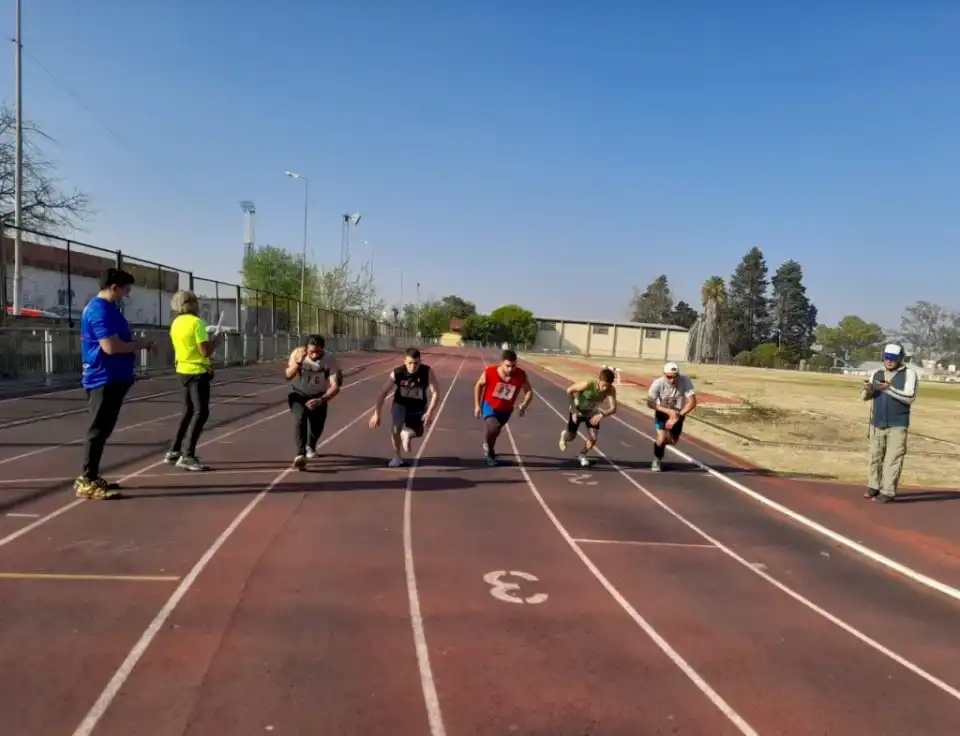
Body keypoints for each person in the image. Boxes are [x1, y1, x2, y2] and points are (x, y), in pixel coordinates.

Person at [75, 268, 155, 499]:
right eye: (126, 290)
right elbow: (110, 346)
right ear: (114, 287)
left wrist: (140, 343)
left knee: (104, 428)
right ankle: (86, 479)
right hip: (103, 377)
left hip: (113, 377)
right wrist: (140, 345)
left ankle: (92, 475)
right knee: (97, 429)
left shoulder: (109, 310)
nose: (127, 295)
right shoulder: (99, 311)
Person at [164, 290, 222, 471]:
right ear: (190, 304)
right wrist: (215, 341)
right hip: (197, 371)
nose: (198, 304)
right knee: (201, 412)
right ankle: (187, 454)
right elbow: (204, 351)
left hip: (183, 369)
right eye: (196, 301)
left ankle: (174, 450)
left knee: (188, 411)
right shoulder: (197, 323)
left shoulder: (175, 323)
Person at [860, 342, 918, 503]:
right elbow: (863, 398)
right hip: (877, 422)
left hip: (897, 423)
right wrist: (867, 390)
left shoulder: (909, 374)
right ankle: (874, 486)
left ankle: (888, 491)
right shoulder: (876, 373)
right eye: (887, 358)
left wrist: (888, 389)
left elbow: (909, 397)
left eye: (893, 359)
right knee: (875, 456)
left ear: (900, 358)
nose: (889, 361)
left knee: (893, 458)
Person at [369, 347, 441, 468]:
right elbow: (382, 393)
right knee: (395, 429)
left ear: (420, 361)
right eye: (410, 363)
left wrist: (429, 412)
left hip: (418, 405)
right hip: (400, 404)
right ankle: (397, 457)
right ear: (404, 361)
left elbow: (436, 393)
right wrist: (376, 414)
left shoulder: (427, 372)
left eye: (416, 363)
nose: (413, 366)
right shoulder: (397, 373)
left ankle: (407, 434)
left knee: (419, 432)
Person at [285, 335, 343, 470]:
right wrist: (298, 363)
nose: (315, 354)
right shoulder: (297, 354)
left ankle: (311, 445)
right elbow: (287, 375)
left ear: (323, 349)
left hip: (318, 395)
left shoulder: (329, 359)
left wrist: (321, 400)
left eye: (318, 351)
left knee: (317, 426)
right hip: (298, 394)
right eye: (311, 351)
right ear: (306, 349)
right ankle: (300, 455)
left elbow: (336, 386)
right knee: (300, 420)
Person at [474, 349, 533, 466]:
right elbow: (478, 385)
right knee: (493, 427)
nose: (511, 369)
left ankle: (488, 444)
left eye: (513, 366)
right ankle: (490, 454)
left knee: (495, 432)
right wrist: (477, 405)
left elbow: (529, 391)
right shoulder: (490, 372)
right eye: (508, 366)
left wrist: (524, 405)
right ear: (501, 363)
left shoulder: (520, 375)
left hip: (506, 410)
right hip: (489, 406)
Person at [559, 368, 618, 467]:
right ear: (598, 380)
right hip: (578, 411)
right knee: (571, 437)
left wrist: (601, 415)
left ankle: (582, 455)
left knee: (593, 438)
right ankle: (565, 435)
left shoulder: (611, 389)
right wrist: (573, 410)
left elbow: (613, 408)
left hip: (592, 413)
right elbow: (569, 390)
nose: (604, 389)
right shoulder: (588, 384)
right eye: (603, 385)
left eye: (607, 386)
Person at [646, 361, 697, 472]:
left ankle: (661, 445)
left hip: (678, 414)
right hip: (662, 413)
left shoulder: (685, 380)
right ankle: (657, 459)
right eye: (669, 377)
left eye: (675, 377)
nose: (672, 380)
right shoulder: (658, 383)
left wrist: (678, 416)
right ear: (664, 374)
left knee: (672, 441)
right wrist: (668, 412)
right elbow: (650, 403)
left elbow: (692, 402)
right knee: (661, 438)